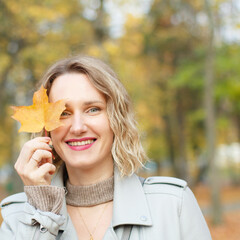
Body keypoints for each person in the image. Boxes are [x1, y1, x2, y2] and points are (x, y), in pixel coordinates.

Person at [0, 55, 212, 240]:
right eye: (63, 113)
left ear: (116, 119)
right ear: (47, 128)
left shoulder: (173, 205)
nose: (78, 127)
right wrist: (42, 213)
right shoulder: (17, 217)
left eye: (93, 109)